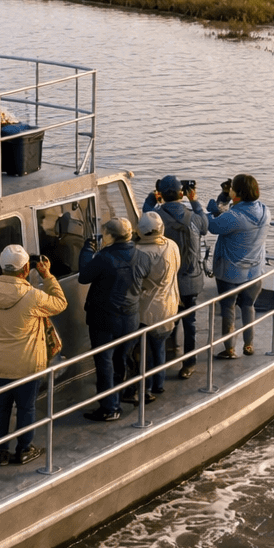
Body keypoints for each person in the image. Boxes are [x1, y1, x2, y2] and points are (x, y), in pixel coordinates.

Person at [0, 245, 67, 466]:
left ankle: (1, 453)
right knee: (26, 407)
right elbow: (60, 303)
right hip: (27, 364)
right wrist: (47, 275)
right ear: (26, 268)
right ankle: (24, 449)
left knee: (1, 406)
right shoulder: (33, 296)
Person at [77, 216, 151, 422]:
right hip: (131, 318)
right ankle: (124, 394)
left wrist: (87, 250)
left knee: (105, 362)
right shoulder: (142, 257)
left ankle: (109, 407)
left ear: (110, 236)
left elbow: (84, 276)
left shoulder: (104, 258)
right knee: (122, 358)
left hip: (105, 319)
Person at [149, 175, 208, 379]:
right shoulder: (193, 217)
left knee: (167, 321)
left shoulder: (156, 218)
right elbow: (206, 225)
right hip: (192, 281)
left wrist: (151, 197)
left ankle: (168, 358)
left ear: (162, 195)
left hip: (167, 283)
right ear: (181, 194)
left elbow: (145, 214)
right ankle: (189, 363)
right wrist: (194, 200)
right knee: (189, 323)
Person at [207, 172, 270, 358]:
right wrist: (226, 197)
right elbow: (228, 216)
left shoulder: (234, 217)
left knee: (228, 310)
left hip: (231, 273)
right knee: (249, 307)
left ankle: (230, 349)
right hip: (255, 272)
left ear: (238, 193)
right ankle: (249, 345)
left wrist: (201, 206)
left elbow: (213, 225)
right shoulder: (265, 210)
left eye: (232, 187)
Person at [126, 211, 180, 404]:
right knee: (160, 349)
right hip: (169, 306)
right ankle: (159, 383)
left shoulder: (137, 252)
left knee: (144, 352)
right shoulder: (171, 246)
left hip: (144, 311)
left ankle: (146, 388)